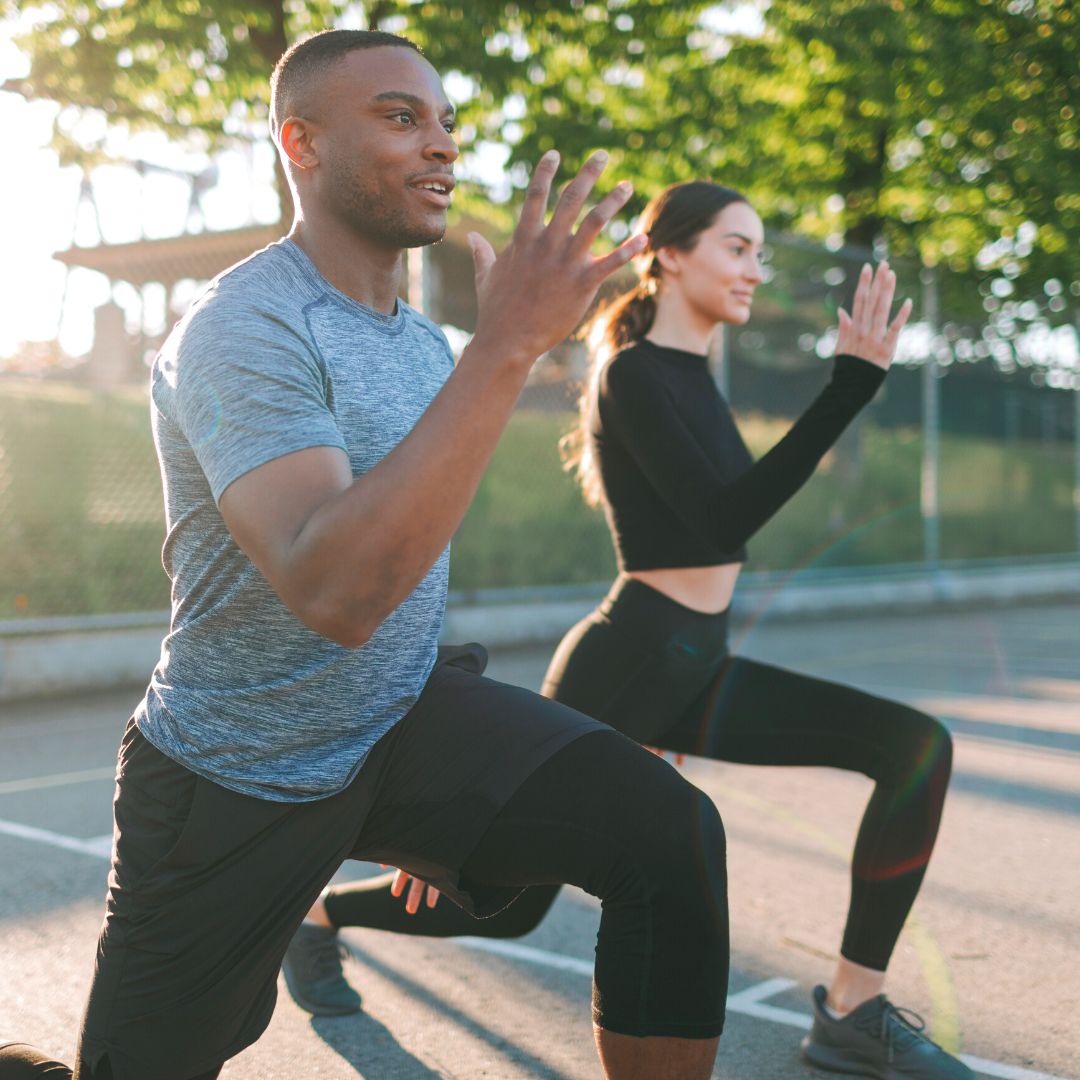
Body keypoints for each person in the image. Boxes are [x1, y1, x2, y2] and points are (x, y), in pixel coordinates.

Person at [0, 32, 731, 1080]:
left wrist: (449, 781)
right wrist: (507, 347)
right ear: (301, 142)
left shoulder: (421, 344)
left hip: (396, 722)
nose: (440, 145)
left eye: (445, 123)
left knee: (669, 836)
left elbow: (409, 551)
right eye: (400, 118)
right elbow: (333, 590)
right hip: (233, 776)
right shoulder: (241, 327)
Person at [283, 182, 976, 1080]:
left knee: (914, 746)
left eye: (760, 252)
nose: (754, 270)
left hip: (701, 662)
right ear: (671, 253)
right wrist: (848, 388)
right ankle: (316, 918)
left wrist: (850, 387)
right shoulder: (635, 373)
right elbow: (722, 522)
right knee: (493, 896)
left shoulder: (692, 377)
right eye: (737, 247)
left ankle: (851, 1009)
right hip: (631, 660)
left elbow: (726, 522)